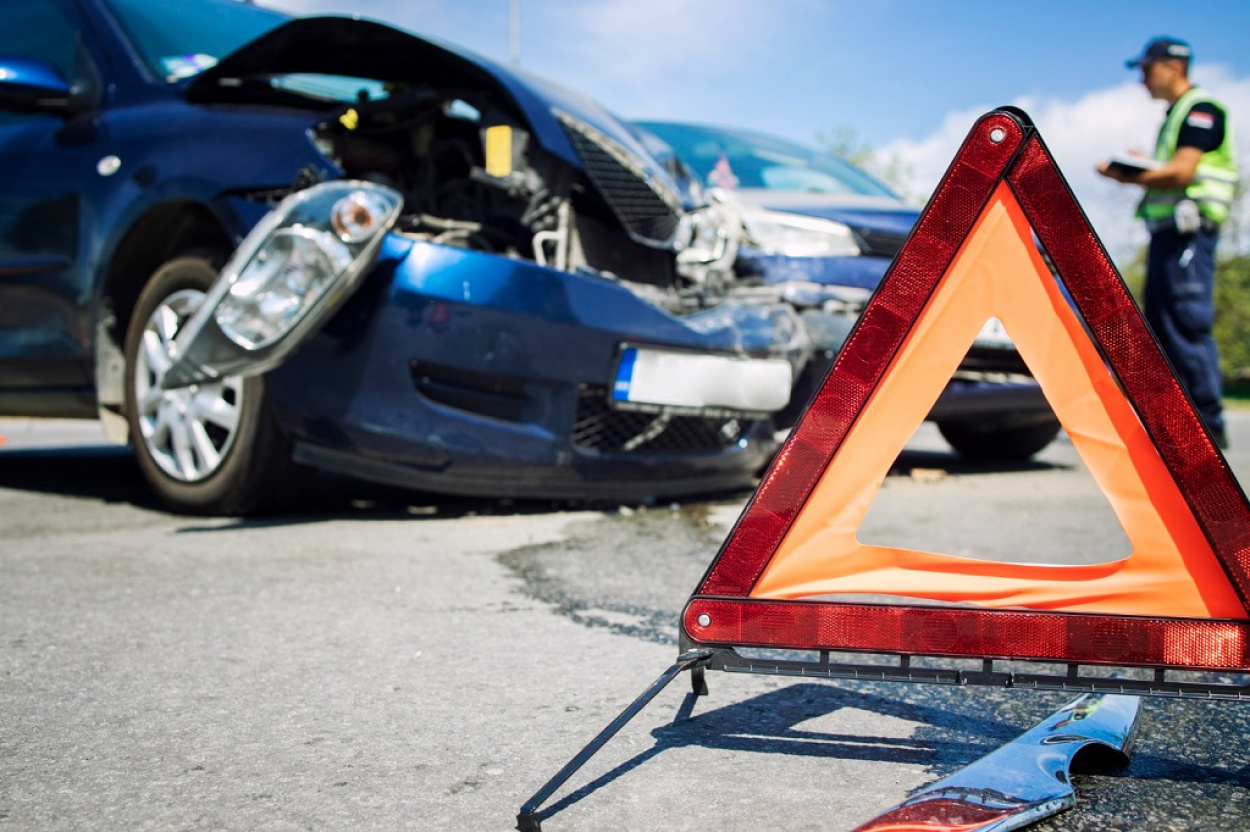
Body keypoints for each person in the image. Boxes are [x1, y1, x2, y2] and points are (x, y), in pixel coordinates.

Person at [1098, 36, 1238, 449]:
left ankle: (1207, 430)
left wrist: (1129, 175)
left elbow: (1181, 173)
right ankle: (1178, 427)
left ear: (1172, 68)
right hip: (1169, 236)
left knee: (1185, 322)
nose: (1142, 79)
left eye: (1146, 69)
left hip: (1188, 235)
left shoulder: (1201, 110)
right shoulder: (1177, 115)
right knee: (1162, 324)